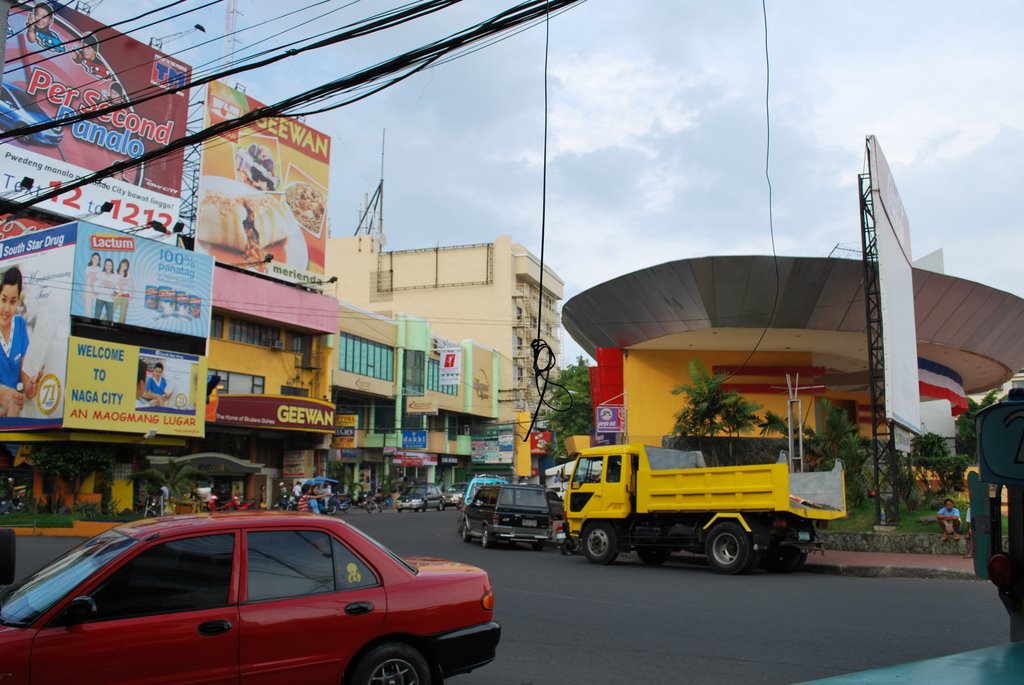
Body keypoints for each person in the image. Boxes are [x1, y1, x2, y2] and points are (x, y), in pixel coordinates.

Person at [0, 267, 42, 417]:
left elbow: (24, 374)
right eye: (3, 300)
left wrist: (29, 385)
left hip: (14, 408)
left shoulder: (19, 326)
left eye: (12, 302)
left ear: (18, 301)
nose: (6, 308)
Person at [112, 259, 132, 323]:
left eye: (126, 265)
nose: (124, 265)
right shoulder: (115, 272)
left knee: (123, 316)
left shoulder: (128, 274)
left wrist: (130, 295)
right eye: (123, 263)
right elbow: (117, 283)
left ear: (127, 267)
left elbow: (129, 285)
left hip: (126, 296)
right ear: (120, 263)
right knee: (111, 311)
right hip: (117, 294)